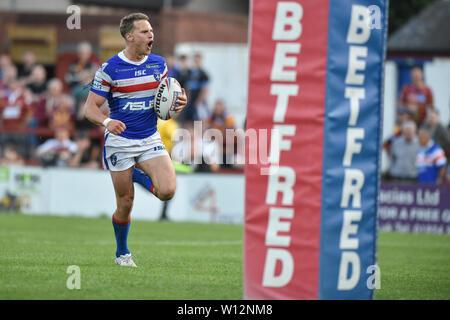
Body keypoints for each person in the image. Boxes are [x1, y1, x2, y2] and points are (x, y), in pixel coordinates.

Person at [83, 13, 187, 267]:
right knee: (125, 203)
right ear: (129, 37)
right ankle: (122, 254)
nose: (150, 35)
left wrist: (179, 102)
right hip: (120, 142)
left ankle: (137, 173)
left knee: (167, 191)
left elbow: (167, 98)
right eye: (144, 31)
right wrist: (107, 122)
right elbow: (90, 109)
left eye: (151, 30)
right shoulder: (110, 69)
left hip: (149, 138)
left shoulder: (158, 63)